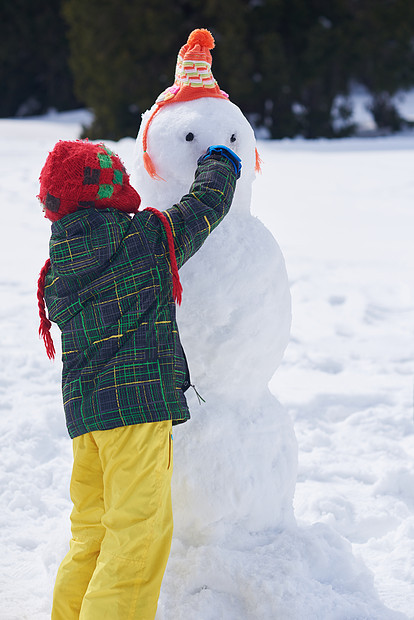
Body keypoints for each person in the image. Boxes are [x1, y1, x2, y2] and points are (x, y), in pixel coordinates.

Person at [36, 139, 241, 620]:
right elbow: (203, 208)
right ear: (114, 191)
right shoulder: (144, 240)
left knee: (92, 532)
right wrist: (219, 163)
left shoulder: (59, 266)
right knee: (137, 536)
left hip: (86, 422)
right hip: (134, 412)